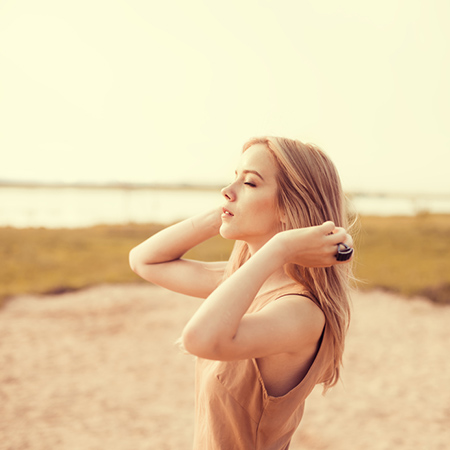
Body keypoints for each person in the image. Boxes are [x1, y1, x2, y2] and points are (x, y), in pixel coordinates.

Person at [129, 136, 354, 450]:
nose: (227, 190)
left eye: (249, 183)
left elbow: (200, 339)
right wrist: (226, 210)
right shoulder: (245, 281)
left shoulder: (301, 312)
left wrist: (281, 246)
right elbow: (143, 260)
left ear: (289, 207)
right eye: (233, 177)